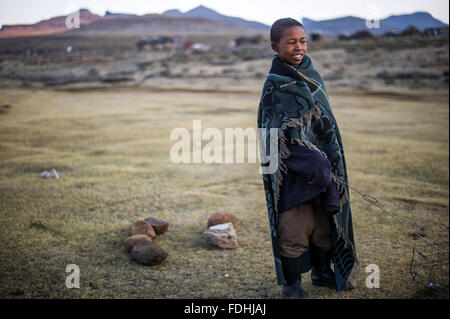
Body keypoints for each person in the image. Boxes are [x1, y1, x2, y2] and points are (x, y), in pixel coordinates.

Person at [257, 18, 359, 299]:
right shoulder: (274, 85)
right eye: (291, 42)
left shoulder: (312, 74)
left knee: (324, 226)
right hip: (292, 175)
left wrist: (327, 161)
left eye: (302, 41)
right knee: (294, 231)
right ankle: (292, 287)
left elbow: (325, 124)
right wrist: (311, 160)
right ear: (275, 46)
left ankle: (322, 272)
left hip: (325, 171)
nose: (299, 47)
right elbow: (273, 135)